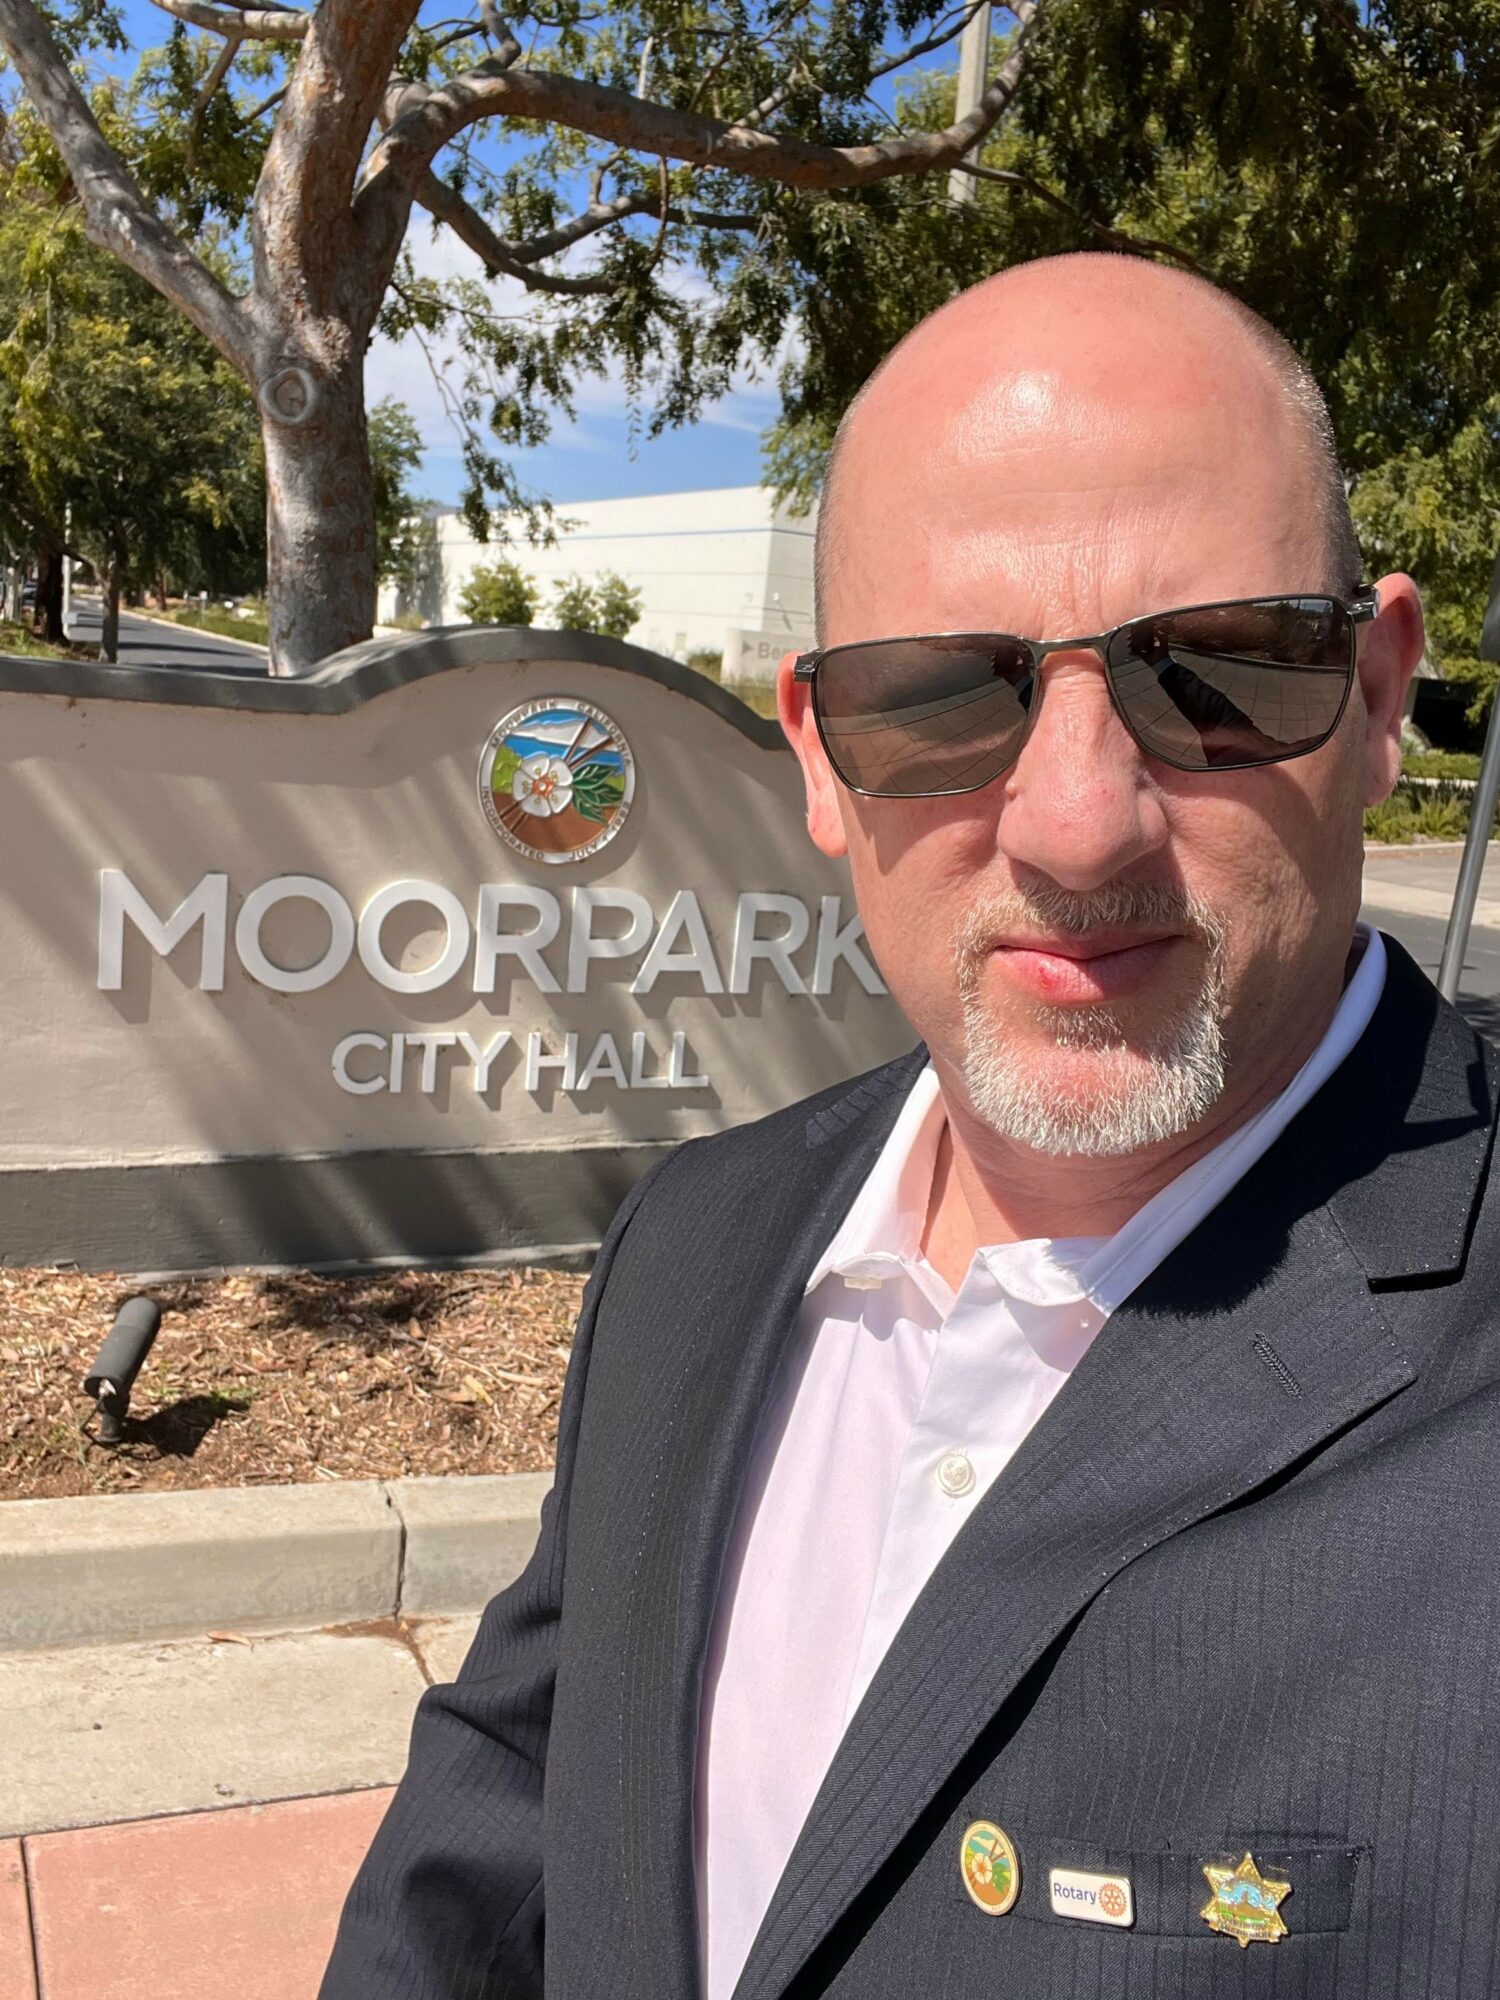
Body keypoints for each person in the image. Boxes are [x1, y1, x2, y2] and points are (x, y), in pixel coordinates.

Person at [320, 252, 1500, 2000]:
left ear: (1382, 692)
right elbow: (515, 1791)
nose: (1080, 826)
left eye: (1220, 674)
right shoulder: (699, 1241)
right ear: (817, 750)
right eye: (947, 694)